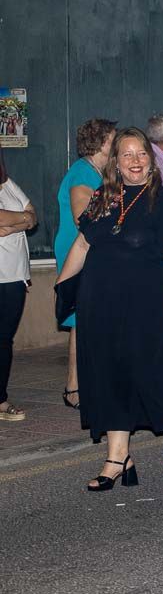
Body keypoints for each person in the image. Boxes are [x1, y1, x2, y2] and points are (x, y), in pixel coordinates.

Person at [57, 129, 163, 491]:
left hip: (149, 307)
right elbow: (83, 245)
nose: (135, 161)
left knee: (150, 374)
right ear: (115, 163)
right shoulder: (102, 200)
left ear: (151, 162)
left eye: (141, 155)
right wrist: (61, 287)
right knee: (109, 378)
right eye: (127, 155)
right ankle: (117, 458)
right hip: (99, 305)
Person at [53, 117, 116, 409]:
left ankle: (81, 385)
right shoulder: (82, 173)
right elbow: (84, 217)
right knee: (83, 319)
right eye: (114, 138)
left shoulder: (97, 171)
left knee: (88, 319)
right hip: (79, 252)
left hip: (91, 250)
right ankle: (75, 387)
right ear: (103, 142)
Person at [0, 147, 35, 422]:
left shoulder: (7, 184)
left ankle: (0, 399)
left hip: (14, 276)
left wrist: (17, 222)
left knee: (3, 341)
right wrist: (20, 220)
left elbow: (33, 215)